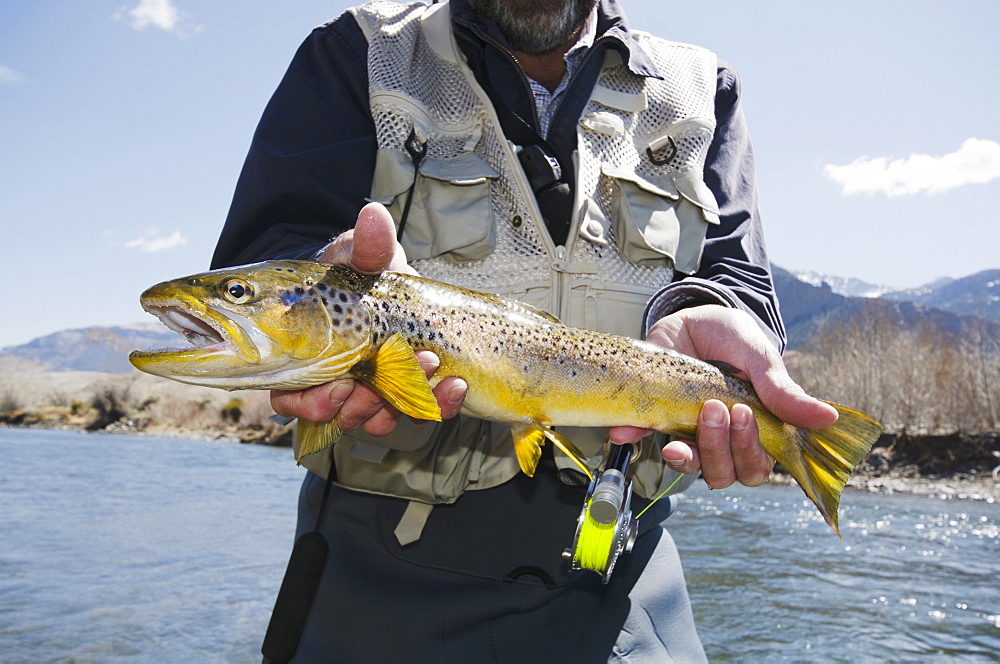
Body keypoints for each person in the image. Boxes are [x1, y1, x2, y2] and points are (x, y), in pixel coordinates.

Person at [212, 0, 838, 661]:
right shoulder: (358, 53)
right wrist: (332, 274)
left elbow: (736, 279)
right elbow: (272, 255)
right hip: (374, 571)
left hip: (625, 569)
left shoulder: (703, 88)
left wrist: (715, 316)